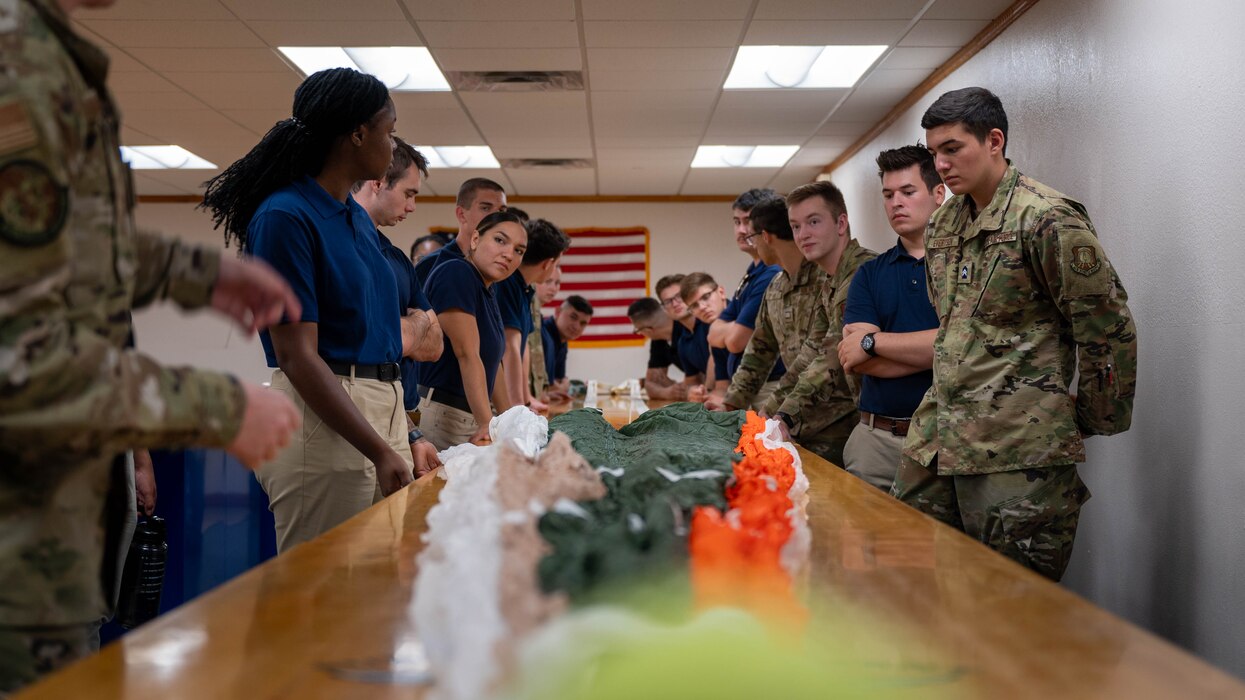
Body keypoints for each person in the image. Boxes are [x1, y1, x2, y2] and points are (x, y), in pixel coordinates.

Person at [0, 0, 301, 690]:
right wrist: (216, 408)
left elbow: (62, 242)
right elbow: (20, 357)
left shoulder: (46, 54)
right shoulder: (18, 64)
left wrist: (194, 271)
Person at [895, 87, 1137, 581]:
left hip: (1016, 451)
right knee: (915, 591)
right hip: (939, 440)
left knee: (1010, 607)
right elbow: (953, 328)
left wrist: (1090, 416)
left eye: (952, 148)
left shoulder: (1046, 218)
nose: (940, 164)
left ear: (993, 141)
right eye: (934, 152)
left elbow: (1107, 327)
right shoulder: (943, 225)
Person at [201, 67, 416, 553]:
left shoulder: (354, 221)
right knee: (323, 599)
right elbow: (297, 355)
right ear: (358, 134)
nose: (393, 144)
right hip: (326, 417)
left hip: (382, 405)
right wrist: (379, 449)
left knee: (377, 588)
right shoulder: (286, 216)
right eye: (390, 131)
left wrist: (399, 433)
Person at [709, 198, 863, 464]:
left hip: (837, 420)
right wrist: (730, 404)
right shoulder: (776, 288)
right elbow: (759, 352)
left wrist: (772, 412)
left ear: (765, 237)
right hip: (790, 419)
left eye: (753, 236)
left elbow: (821, 354)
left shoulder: (825, 278)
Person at [835, 145, 945, 491]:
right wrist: (937, 350)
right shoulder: (869, 274)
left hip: (947, 441)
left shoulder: (961, 268)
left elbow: (968, 345)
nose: (896, 202)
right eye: (888, 194)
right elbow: (857, 359)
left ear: (938, 193)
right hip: (875, 442)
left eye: (908, 192)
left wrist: (875, 342)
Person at [350, 137, 443, 477]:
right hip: (352, 411)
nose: (413, 206)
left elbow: (435, 346)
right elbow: (387, 342)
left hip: (395, 414)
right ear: (378, 183)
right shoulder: (345, 246)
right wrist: (417, 323)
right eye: (409, 193)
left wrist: (413, 435)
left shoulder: (394, 258)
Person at [417, 211, 528, 450]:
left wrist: (507, 423)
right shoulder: (456, 273)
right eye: (500, 240)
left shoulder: (488, 289)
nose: (509, 254)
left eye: (519, 250)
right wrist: (487, 422)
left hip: (469, 415)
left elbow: (493, 365)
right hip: (443, 415)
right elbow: (467, 354)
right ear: (475, 239)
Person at [710, 189, 786, 398]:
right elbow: (713, 333)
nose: (742, 230)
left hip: (769, 387)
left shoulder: (772, 272)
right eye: (736, 222)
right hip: (748, 386)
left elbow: (735, 342)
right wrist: (733, 330)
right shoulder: (752, 273)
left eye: (748, 221)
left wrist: (731, 330)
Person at [494, 218, 570, 413]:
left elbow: (522, 346)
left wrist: (526, 399)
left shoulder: (524, 289)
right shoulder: (506, 283)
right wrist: (518, 406)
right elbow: (509, 348)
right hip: (495, 398)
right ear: (547, 264)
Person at [412, 178, 507, 289]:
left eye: (501, 211)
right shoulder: (432, 265)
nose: (496, 217)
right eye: (485, 208)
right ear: (461, 214)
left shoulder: (497, 269)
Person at [626, 297, 698, 401]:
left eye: (638, 330)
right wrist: (668, 393)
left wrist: (687, 388)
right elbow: (650, 384)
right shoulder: (658, 340)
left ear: (648, 330)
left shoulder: (688, 328)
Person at [678, 273, 730, 402]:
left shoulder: (744, 315)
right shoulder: (714, 329)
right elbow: (722, 386)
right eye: (694, 306)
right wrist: (704, 396)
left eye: (706, 297)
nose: (702, 307)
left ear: (721, 292)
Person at [655, 274, 706, 390]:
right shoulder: (683, 342)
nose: (674, 303)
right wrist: (693, 393)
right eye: (668, 301)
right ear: (664, 309)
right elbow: (693, 382)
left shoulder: (709, 324)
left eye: (679, 296)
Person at [542, 295, 594, 393]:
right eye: (573, 317)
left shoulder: (562, 341)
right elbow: (544, 387)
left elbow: (560, 381)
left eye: (583, 323)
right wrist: (560, 387)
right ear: (558, 312)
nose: (577, 327)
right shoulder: (543, 335)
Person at [529, 265, 561, 404]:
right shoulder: (527, 313)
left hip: (536, 396)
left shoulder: (540, 320)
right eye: (548, 281)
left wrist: (545, 390)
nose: (554, 288)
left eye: (557, 283)